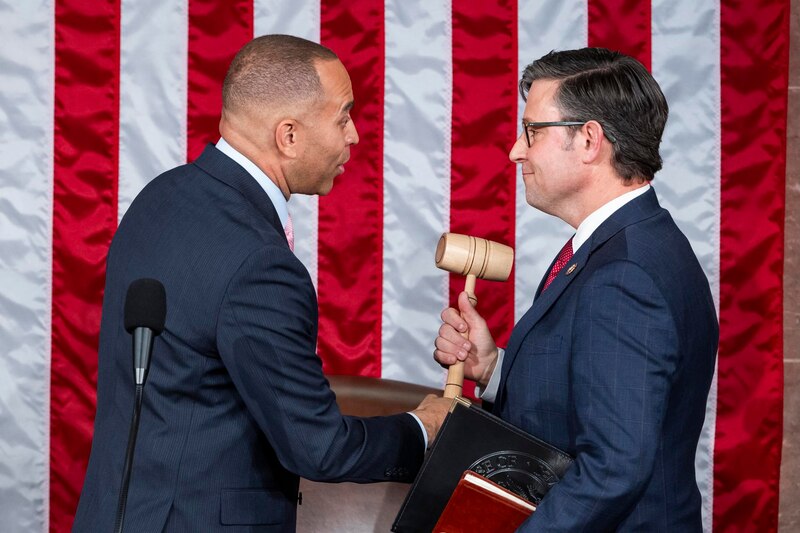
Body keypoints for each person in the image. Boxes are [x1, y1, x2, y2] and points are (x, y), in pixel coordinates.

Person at [73, 34, 451, 532]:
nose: (354, 136)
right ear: (288, 136)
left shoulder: (159, 198)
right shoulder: (259, 263)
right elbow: (318, 448)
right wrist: (423, 429)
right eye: (343, 117)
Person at [434, 48, 718, 532]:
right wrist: (494, 370)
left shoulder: (626, 273)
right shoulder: (624, 243)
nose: (515, 151)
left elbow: (613, 469)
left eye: (531, 131)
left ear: (589, 140)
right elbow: (584, 400)